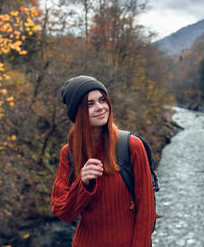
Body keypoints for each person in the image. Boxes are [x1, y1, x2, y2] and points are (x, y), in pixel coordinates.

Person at [51, 75, 156, 247]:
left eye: (102, 100)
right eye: (89, 104)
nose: (100, 108)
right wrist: (82, 183)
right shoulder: (69, 153)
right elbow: (63, 212)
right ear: (77, 112)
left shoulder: (131, 146)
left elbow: (146, 211)